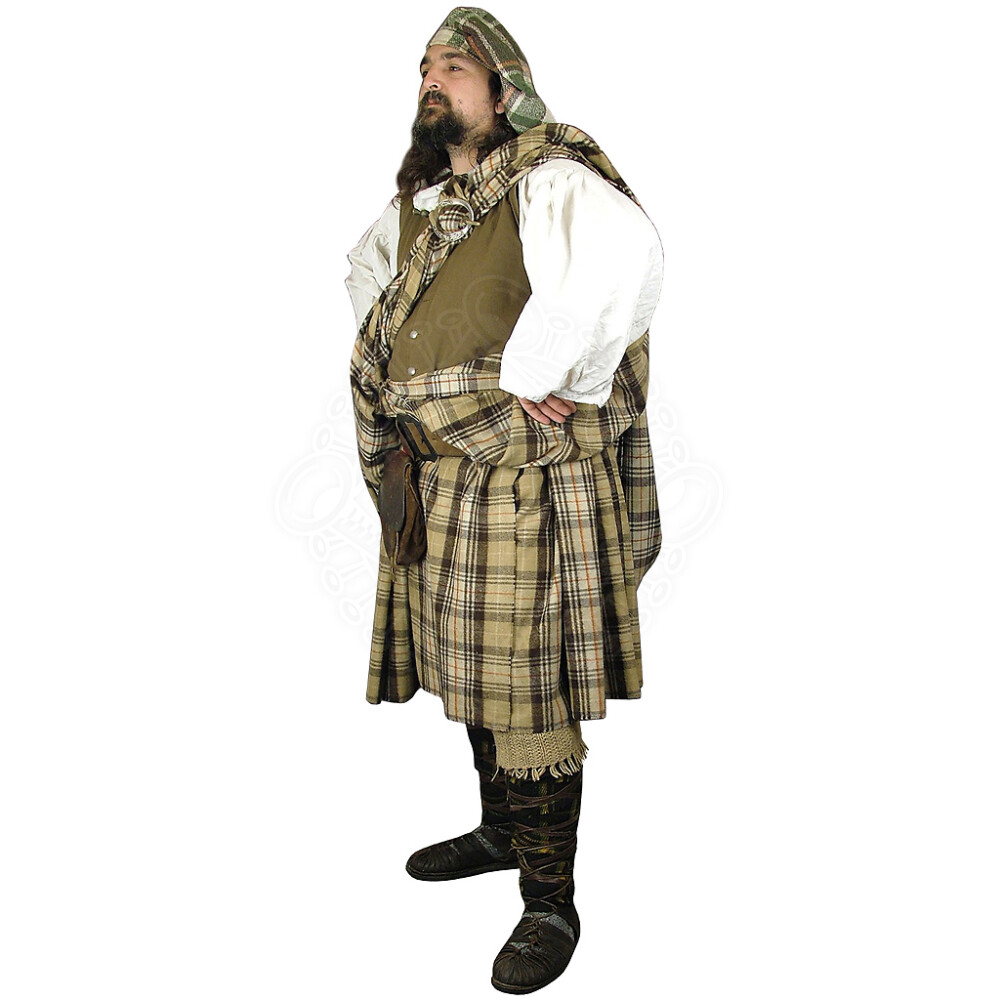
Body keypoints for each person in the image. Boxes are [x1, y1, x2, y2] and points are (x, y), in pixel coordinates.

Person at [346, 7, 663, 993]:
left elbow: (619, 267)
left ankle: (550, 899)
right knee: (469, 669)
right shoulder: (423, 208)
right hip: (439, 477)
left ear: (505, 85)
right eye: (423, 66)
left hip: (528, 482)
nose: (430, 78)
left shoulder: (552, 179)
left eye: (454, 64)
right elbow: (370, 300)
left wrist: (540, 368)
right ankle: (499, 831)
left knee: (527, 693)